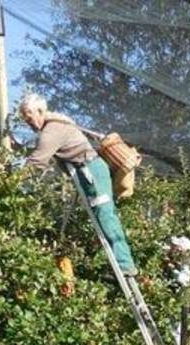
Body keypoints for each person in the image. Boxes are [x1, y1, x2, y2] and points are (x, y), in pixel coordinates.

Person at [18, 92, 137, 275]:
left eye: (29, 116)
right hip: (89, 171)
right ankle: (121, 264)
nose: (28, 122)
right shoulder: (56, 125)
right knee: (103, 214)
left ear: (40, 111)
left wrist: (13, 183)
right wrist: (17, 147)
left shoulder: (52, 131)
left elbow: (36, 162)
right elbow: (39, 151)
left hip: (91, 172)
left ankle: (124, 265)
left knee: (105, 215)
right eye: (25, 119)